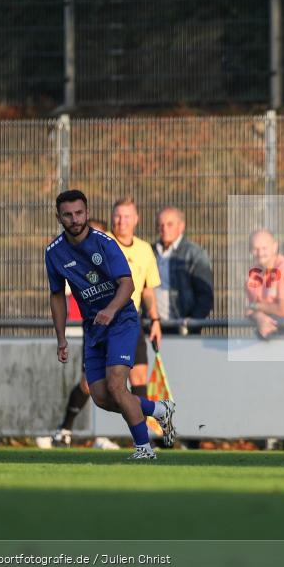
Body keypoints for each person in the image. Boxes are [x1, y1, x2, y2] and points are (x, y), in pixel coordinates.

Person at [45, 190, 176, 459]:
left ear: (87, 212)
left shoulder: (105, 243)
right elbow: (57, 295)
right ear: (58, 217)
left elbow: (127, 284)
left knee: (118, 386)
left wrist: (110, 309)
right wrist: (61, 338)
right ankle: (158, 410)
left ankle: (144, 449)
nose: (75, 219)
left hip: (122, 321)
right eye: (68, 215)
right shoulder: (54, 252)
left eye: (79, 213)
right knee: (101, 396)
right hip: (94, 328)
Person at [40, 219, 121, 449]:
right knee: (90, 383)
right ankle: (65, 430)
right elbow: (61, 292)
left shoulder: (114, 257)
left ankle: (113, 434)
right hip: (93, 327)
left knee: (118, 382)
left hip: (120, 326)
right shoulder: (70, 258)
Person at [110, 197, 163, 400]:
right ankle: (64, 428)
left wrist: (155, 320)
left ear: (136, 219)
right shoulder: (101, 243)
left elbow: (147, 290)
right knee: (91, 384)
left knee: (139, 377)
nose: (121, 221)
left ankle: (139, 431)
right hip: (103, 322)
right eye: (118, 215)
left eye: (126, 216)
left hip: (131, 321)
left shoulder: (144, 249)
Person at [153, 206, 214, 335]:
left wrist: (191, 324)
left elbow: (205, 295)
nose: (164, 229)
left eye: (170, 224)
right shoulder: (149, 251)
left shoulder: (195, 253)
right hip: (153, 326)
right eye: (161, 225)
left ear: (181, 227)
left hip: (182, 328)